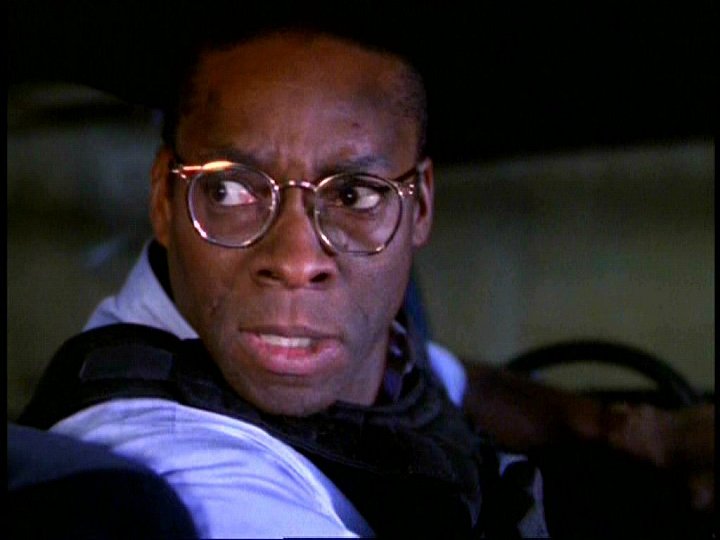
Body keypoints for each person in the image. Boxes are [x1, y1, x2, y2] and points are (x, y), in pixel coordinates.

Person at [18, 25, 548, 538]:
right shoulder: (199, 479)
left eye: (353, 195)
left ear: (421, 206)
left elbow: (448, 382)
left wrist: (589, 427)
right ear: (163, 199)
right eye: (230, 191)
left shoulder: (376, 345)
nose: (296, 261)